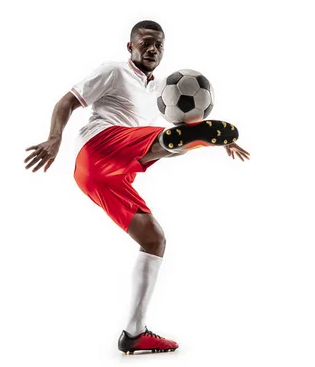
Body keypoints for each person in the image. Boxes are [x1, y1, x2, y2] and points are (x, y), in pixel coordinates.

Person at [24, 20, 250, 354]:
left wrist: (218, 142)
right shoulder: (114, 71)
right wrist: (54, 139)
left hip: (110, 175)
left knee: (154, 238)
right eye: (145, 42)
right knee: (160, 141)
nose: (152, 48)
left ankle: (134, 331)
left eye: (158, 44)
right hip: (99, 146)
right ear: (129, 47)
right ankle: (179, 140)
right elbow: (65, 103)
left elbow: (172, 119)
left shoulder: (163, 89)